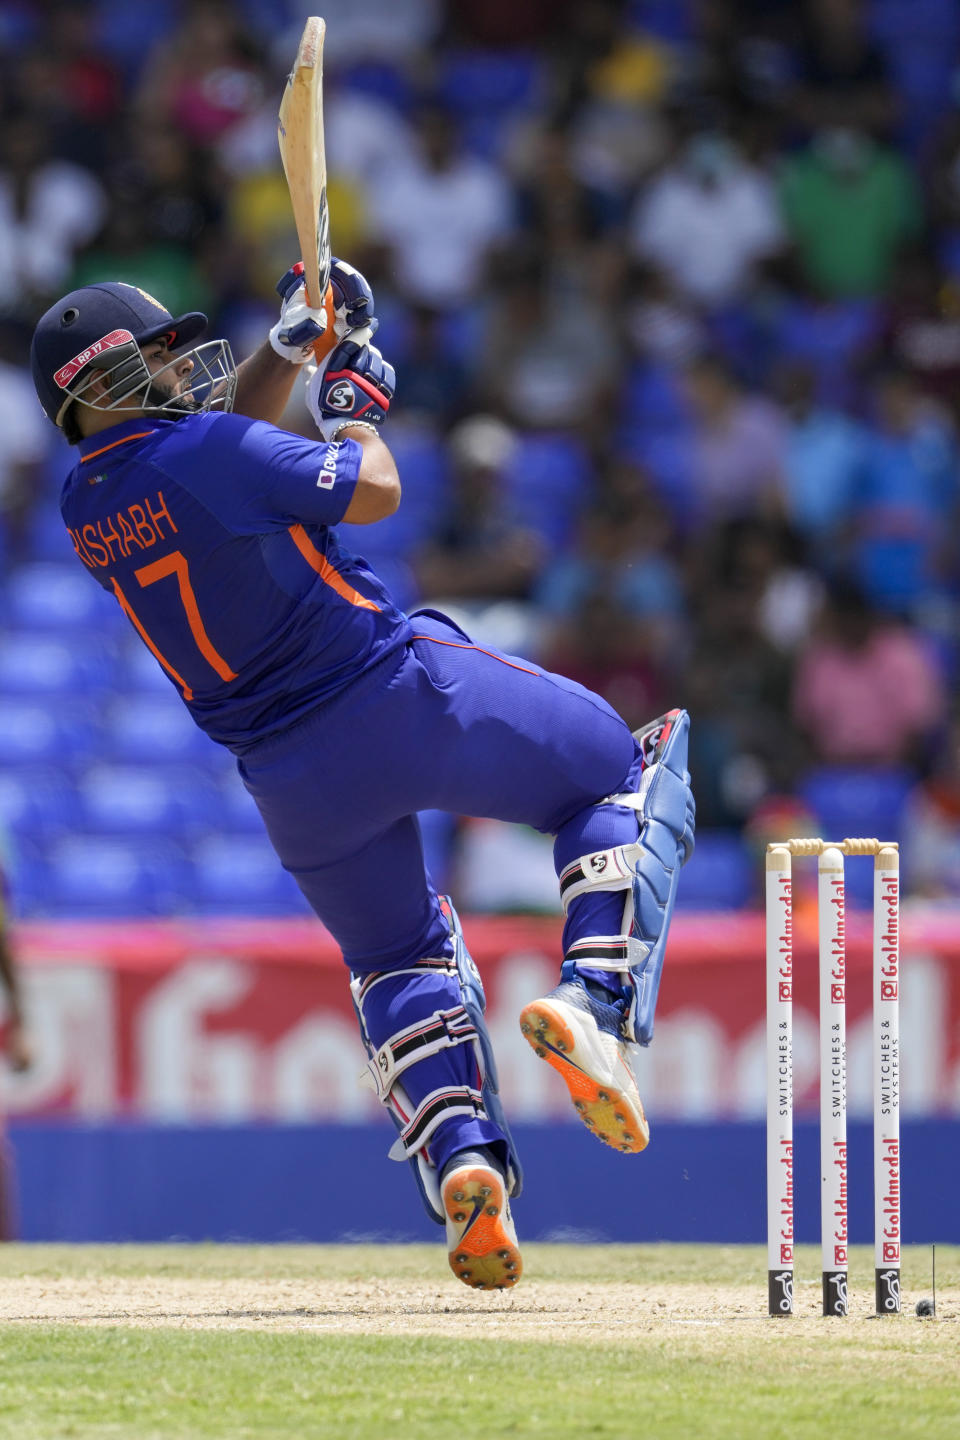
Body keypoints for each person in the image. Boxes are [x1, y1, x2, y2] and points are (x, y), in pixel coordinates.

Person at [29, 263, 694, 1289]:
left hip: (291, 785)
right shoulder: (202, 449)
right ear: (96, 384)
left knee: (398, 959)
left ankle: (467, 1163)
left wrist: (286, 348)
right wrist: (352, 411)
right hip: (391, 694)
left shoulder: (85, 501)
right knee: (622, 765)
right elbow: (370, 490)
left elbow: (209, 451)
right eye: (154, 358)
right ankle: (595, 1003)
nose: (176, 368)